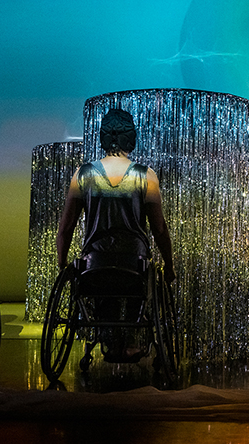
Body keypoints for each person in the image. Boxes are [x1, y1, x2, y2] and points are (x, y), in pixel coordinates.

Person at [56, 108, 175, 361]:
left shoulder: (83, 174)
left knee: (101, 285)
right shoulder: (146, 176)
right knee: (139, 282)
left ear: (102, 137)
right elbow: (159, 229)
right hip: (135, 264)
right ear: (131, 138)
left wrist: (62, 263)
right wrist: (170, 265)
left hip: (95, 264)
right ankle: (129, 340)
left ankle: (108, 339)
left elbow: (65, 228)